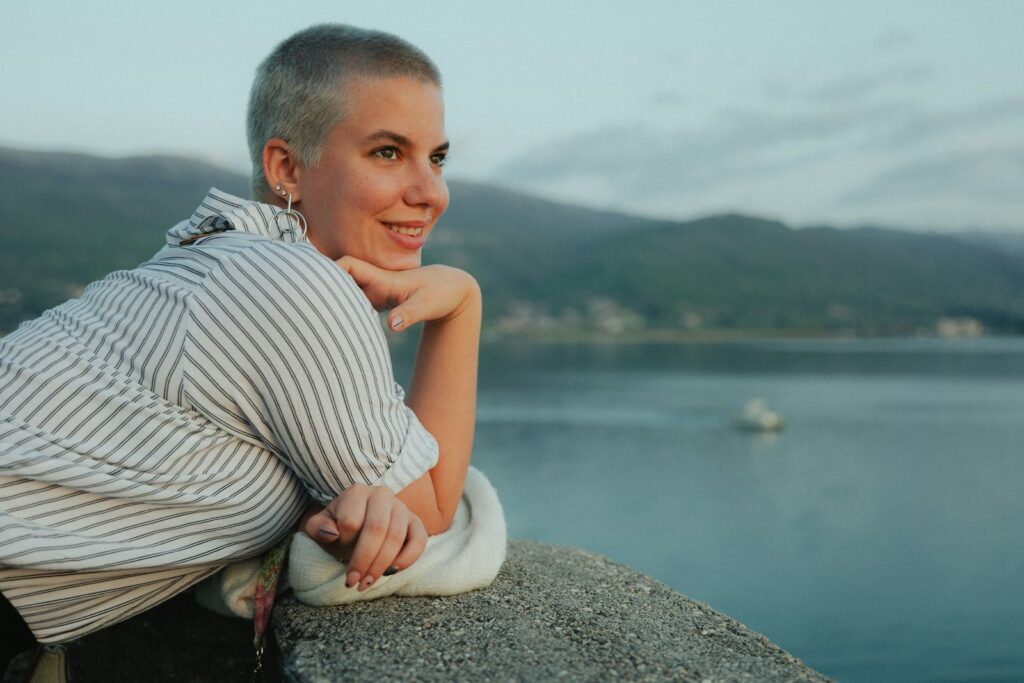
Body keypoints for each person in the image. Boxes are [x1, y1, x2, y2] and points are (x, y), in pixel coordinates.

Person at [0, 23, 480, 671]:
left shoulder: (223, 257)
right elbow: (428, 512)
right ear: (287, 168)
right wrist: (462, 308)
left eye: (438, 157)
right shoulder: (292, 283)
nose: (432, 191)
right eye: (389, 153)